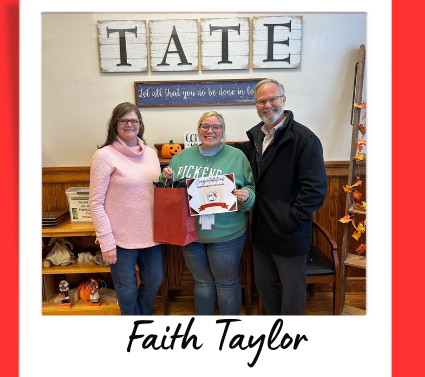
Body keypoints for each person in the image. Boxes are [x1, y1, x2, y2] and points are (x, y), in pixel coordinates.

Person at [241, 79, 327, 315]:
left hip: (289, 233)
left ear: (283, 100)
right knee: (266, 288)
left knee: (292, 294)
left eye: (272, 99)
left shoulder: (304, 139)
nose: (267, 105)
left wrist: (289, 220)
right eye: (261, 101)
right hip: (261, 232)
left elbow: (315, 191)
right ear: (256, 105)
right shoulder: (256, 138)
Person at [162, 111, 255, 315]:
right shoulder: (181, 157)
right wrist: (166, 177)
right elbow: (169, 193)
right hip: (191, 234)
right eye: (205, 126)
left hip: (227, 234)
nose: (210, 131)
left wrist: (247, 196)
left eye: (215, 127)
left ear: (222, 131)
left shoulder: (237, 156)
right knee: (202, 282)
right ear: (198, 130)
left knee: (227, 283)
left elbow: (250, 187)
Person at [88, 102, 163, 315]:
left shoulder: (150, 153)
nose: (130, 124)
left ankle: (143, 318)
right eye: (124, 120)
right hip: (119, 238)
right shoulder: (104, 155)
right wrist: (106, 241)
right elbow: (95, 202)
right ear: (115, 124)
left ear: (140, 124)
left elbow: (153, 191)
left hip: (151, 235)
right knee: (127, 288)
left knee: (154, 280)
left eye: (134, 120)